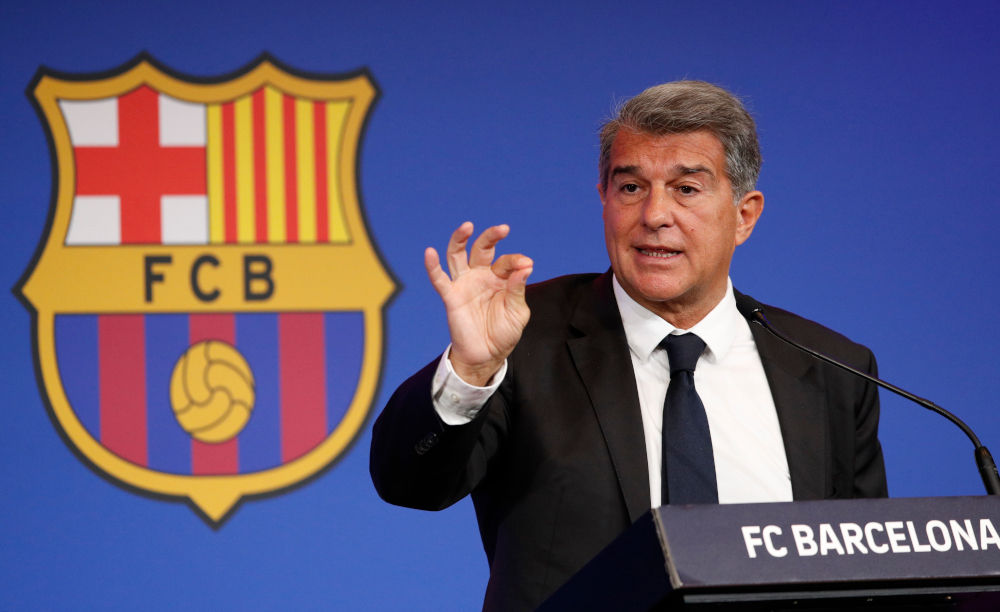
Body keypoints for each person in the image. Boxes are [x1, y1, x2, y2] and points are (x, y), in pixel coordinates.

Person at [370, 81, 887, 612]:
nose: (654, 215)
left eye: (686, 188)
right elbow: (409, 484)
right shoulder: (525, 338)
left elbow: (870, 579)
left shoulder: (830, 370)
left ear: (744, 215)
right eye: (631, 188)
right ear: (603, 200)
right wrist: (471, 369)